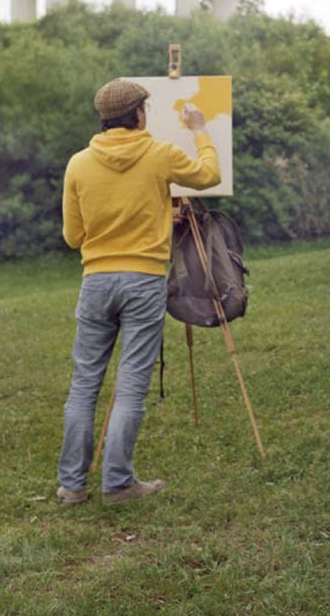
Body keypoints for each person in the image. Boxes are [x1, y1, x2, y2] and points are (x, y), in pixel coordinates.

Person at [57, 78, 220, 506]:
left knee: (84, 383)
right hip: (143, 280)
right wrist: (200, 129)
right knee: (130, 384)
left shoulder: (78, 163)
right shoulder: (159, 154)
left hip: (95, 282)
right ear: (138, 115)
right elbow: (209, 175)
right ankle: (117, 485)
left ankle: (72, 486)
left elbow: (73, 236)